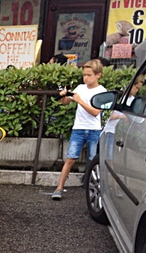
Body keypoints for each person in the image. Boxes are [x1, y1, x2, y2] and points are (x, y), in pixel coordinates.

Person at [52, 59, 107, 200]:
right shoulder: (80, 88)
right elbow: (65, 102)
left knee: (92, 160)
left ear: (98, 75)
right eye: (84, 75)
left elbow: (96, 112)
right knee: (70, 158)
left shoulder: (102, 92)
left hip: (94, 129)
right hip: (79, 128)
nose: (86, 78)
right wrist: (64, 95)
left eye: (89, 75)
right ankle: (59, 187)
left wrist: (80, 101)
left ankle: (90, 188)